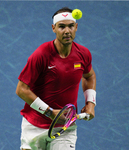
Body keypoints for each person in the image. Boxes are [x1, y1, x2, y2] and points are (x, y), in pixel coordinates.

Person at [16, 7, 96, 150]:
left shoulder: (83, 54)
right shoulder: (41, 55)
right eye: (61, 27)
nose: (67, 31)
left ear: (76, 27)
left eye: (71, 26)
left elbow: (89, 76)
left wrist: (90, 103)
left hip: (65, 127)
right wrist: (49, 112)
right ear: (53, 28)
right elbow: (21, 90)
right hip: (34, 125)